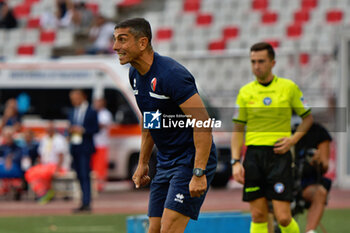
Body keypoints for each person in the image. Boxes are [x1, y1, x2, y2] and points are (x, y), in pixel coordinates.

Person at [113, 18, 217, 233]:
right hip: (165, 161)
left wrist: (198, 172)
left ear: (142, 43)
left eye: (122, 40)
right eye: (115, 40)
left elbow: (203, 123)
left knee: (169, 229)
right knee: (154, 230)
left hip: (189, 160)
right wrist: (142, 163)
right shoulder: (135, 75)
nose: (116, 47)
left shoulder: (172, 75)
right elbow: (150, 119)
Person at [231, 42, 313, 233]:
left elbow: (308, 119)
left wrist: (292, 140)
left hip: (279, 156)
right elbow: (238, 128)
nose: (256, 66)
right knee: (258, 215)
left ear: (273, 63)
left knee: (283, 218)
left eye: (261, 61)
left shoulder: (288, 87)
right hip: (253, 157)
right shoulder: (245, 92)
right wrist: (236, 161)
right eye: (253, 62)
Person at [294, 122, 332, 233]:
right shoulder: (278, 128)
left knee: (320, 193)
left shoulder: (318, 131)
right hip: (280, 181)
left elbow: (325, 166)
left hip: (305, 183)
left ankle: (310, 231)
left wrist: (317, 161)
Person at [25, 121, 70, 204]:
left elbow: (61, 156)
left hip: (57, 166)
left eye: (50, 129)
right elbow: (40, 155)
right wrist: (39, 165)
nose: (48, 131)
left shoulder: (59, 139)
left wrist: (57, 169)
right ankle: (43, 192)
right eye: (47, 129)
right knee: (30, 172)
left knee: (40, 173)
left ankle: (44, 193)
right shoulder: (44, 139)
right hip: (45, 166)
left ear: (54, 129)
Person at [68, 89, 99, 213]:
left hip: (85, 147)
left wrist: (83, 130)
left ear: (82, 97)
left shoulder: (91, 111)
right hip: (75, 146)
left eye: (75, 98)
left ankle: (87, 202)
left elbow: (96, 128)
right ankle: (82, 201)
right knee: (79, 175)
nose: (74, 101)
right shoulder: (72, 111)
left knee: (85, 175)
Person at [92, 98, 113, 191]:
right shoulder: (94, 113)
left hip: (102, 143)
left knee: (100, 165)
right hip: (93, 143)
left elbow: (102, 124)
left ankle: (100, 185)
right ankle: (94, 184)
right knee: (93, 165)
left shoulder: (105, 113)